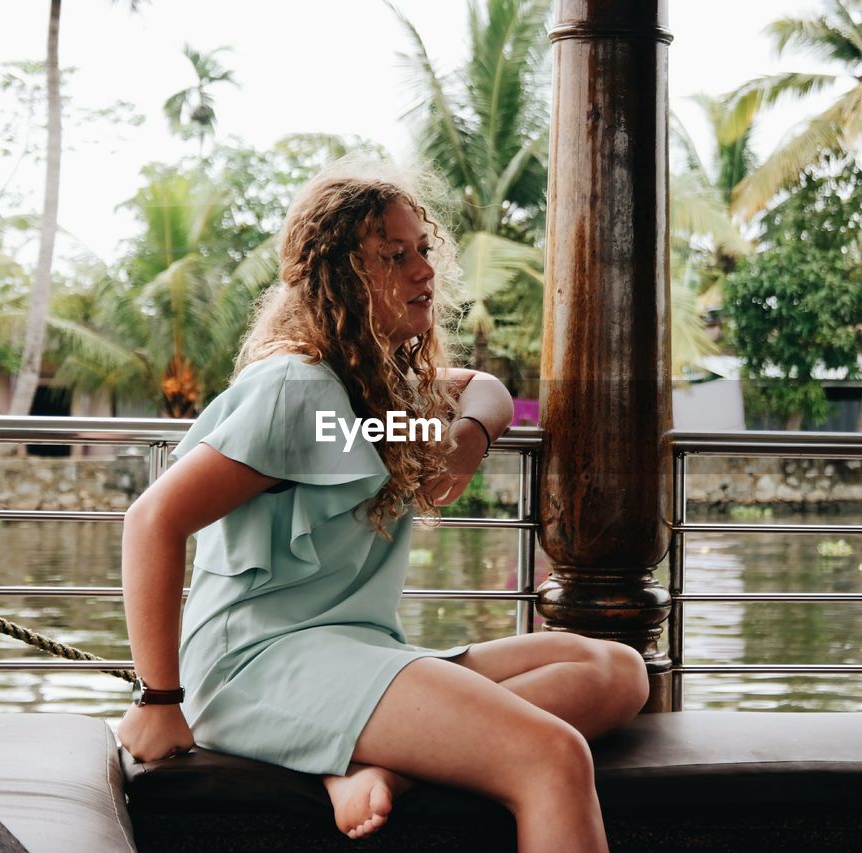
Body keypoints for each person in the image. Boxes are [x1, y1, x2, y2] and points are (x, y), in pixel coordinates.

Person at [116, 160, 649, 852]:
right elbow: (152, 519)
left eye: (423, 249)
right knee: (552, 755)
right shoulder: (294, 390)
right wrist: (160, 699)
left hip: (358, 650)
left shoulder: (381, 393)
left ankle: (386, 764)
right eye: (394, 256)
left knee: (616, 672)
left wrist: (467, 440)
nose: (423, 270)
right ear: (342, 278)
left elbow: (485, 387)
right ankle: (369, 755)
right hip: (261, 665)